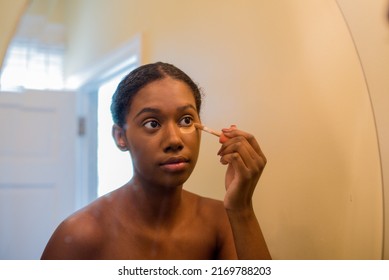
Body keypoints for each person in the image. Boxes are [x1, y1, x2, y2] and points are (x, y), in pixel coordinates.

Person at [41, 62, 271, 260]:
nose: (174, 140)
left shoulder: (220, 220)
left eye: (186, 120)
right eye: (152, 123)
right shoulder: (81, 235)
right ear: (121, 137)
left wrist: (242, 209)